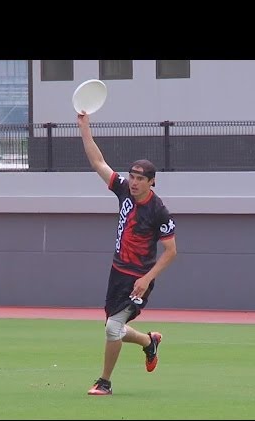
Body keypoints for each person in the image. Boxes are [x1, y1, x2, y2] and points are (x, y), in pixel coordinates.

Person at [77, 111, 178, 396]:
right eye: (132, 177)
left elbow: (171, 251)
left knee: (112, 327)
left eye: (139, 178)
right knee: (115, 328)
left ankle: (104, 382)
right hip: (117, 271)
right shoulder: (123, 190)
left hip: (138, 277)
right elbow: (98, 162)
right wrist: (85, 128)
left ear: (152, 182)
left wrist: (147, 279)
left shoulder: (158, 211)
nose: (133, 182)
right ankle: (149, 342)